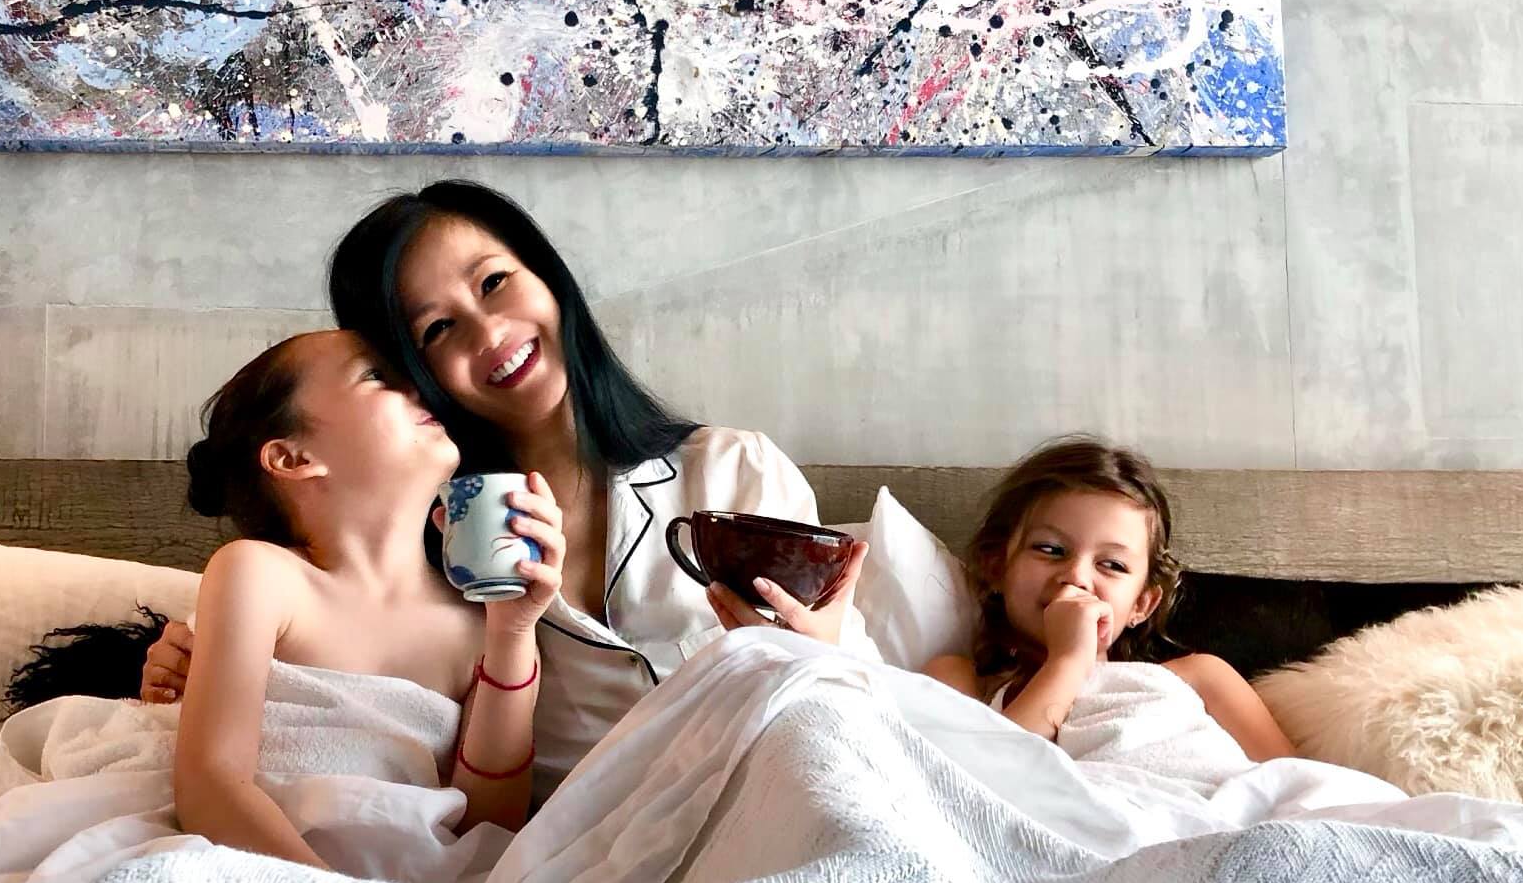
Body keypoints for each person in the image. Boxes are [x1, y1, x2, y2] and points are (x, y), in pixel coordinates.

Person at [144, 180, 875, 795]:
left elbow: (858, 711)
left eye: (494, 282)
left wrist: (822, 655)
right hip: (578, 859)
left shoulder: (736, 472)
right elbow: (320, 665)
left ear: (546, 276)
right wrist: (188, 661)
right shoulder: (430, 556)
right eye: (437, 330)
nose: (489, 333)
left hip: (767, 798)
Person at [173, 327, 565, 863]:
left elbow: (487, 829)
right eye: (377, 375)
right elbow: (210, 782)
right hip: (276, 870)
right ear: (292, 458)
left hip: (408, 879)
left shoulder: (480, 627)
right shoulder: (260, 575)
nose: (419, 386)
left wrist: (514, 634)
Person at [921, 438, 1296, 761]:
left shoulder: (1202, 677)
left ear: (1142, 605)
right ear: (997, 567)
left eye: (1112, 564)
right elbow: (978, 781)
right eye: (1050, 549)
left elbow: (1301, 786)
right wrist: (1069, 659)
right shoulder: (963, 680)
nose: (1076, 576)